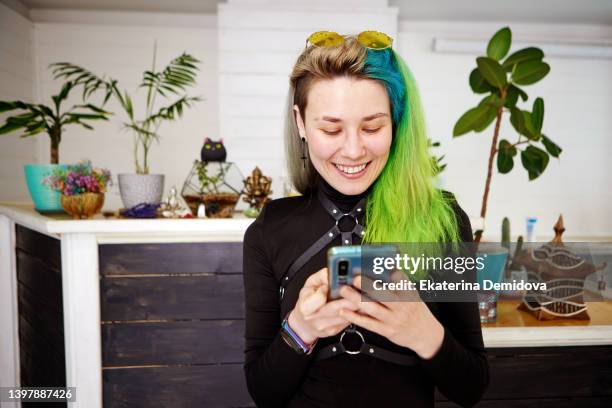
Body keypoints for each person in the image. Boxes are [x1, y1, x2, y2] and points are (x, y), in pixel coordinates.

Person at [242, 31, 490, 407]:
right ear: (301, 123)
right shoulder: (269, 230)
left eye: (373, 127)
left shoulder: (444, 218)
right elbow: (263, 392)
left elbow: (472, 387)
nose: (354, 149)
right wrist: (301, 329)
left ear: (396, 122)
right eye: (331, 128)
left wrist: (423, 333)